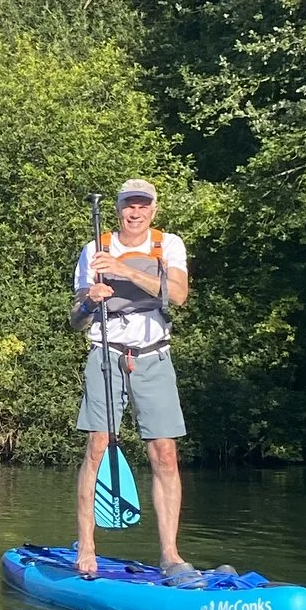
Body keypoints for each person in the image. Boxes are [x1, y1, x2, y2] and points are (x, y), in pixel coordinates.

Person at [72, 177, 193, 583]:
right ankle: (87, 548)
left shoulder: (168, 245)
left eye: (143, 205)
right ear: (119, 208)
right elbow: (75, 319)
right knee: (97, 447)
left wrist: (123, 270)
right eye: (129, 205)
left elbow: (177, 296)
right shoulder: (95, 247)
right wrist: (90, 299)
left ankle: (170, 555)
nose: (135, 212)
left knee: (165, 454)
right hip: (106, 352)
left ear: (153, 209)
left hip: (154, 355)